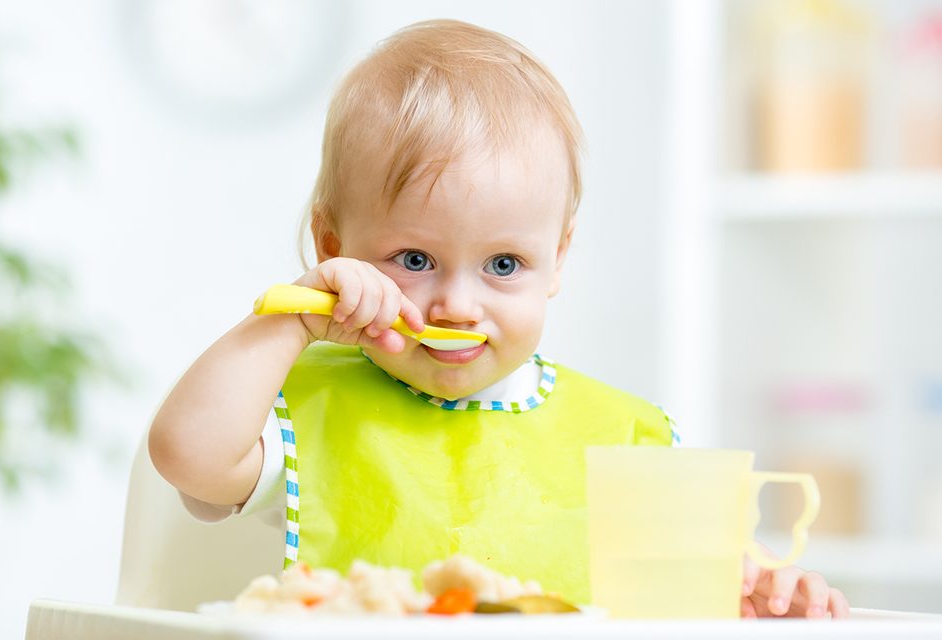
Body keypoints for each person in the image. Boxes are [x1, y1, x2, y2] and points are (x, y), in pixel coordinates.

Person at [148, 19, 848, 618]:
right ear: (336, 249)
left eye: (504, 264)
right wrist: (292, 319)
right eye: (414, 259)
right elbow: (186, 454)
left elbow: (682, 606)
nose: (457, 303)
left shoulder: (625, 441)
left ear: (558, 258)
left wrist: (755, 600)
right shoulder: (307, 407)